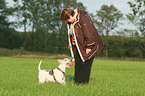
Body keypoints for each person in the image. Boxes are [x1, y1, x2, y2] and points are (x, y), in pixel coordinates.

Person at [60, 8, 104, 85]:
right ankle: (77, 83)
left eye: (67, 20)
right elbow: (73, 34)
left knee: (85, 64)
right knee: (78, 64)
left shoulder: (83, 18)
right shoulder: (72, 22)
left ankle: (83, 84)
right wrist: (71, 44)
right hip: (79, 45)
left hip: (90, 45)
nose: (67, 22)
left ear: (70, 16)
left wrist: (89, 47)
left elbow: (89, 33)